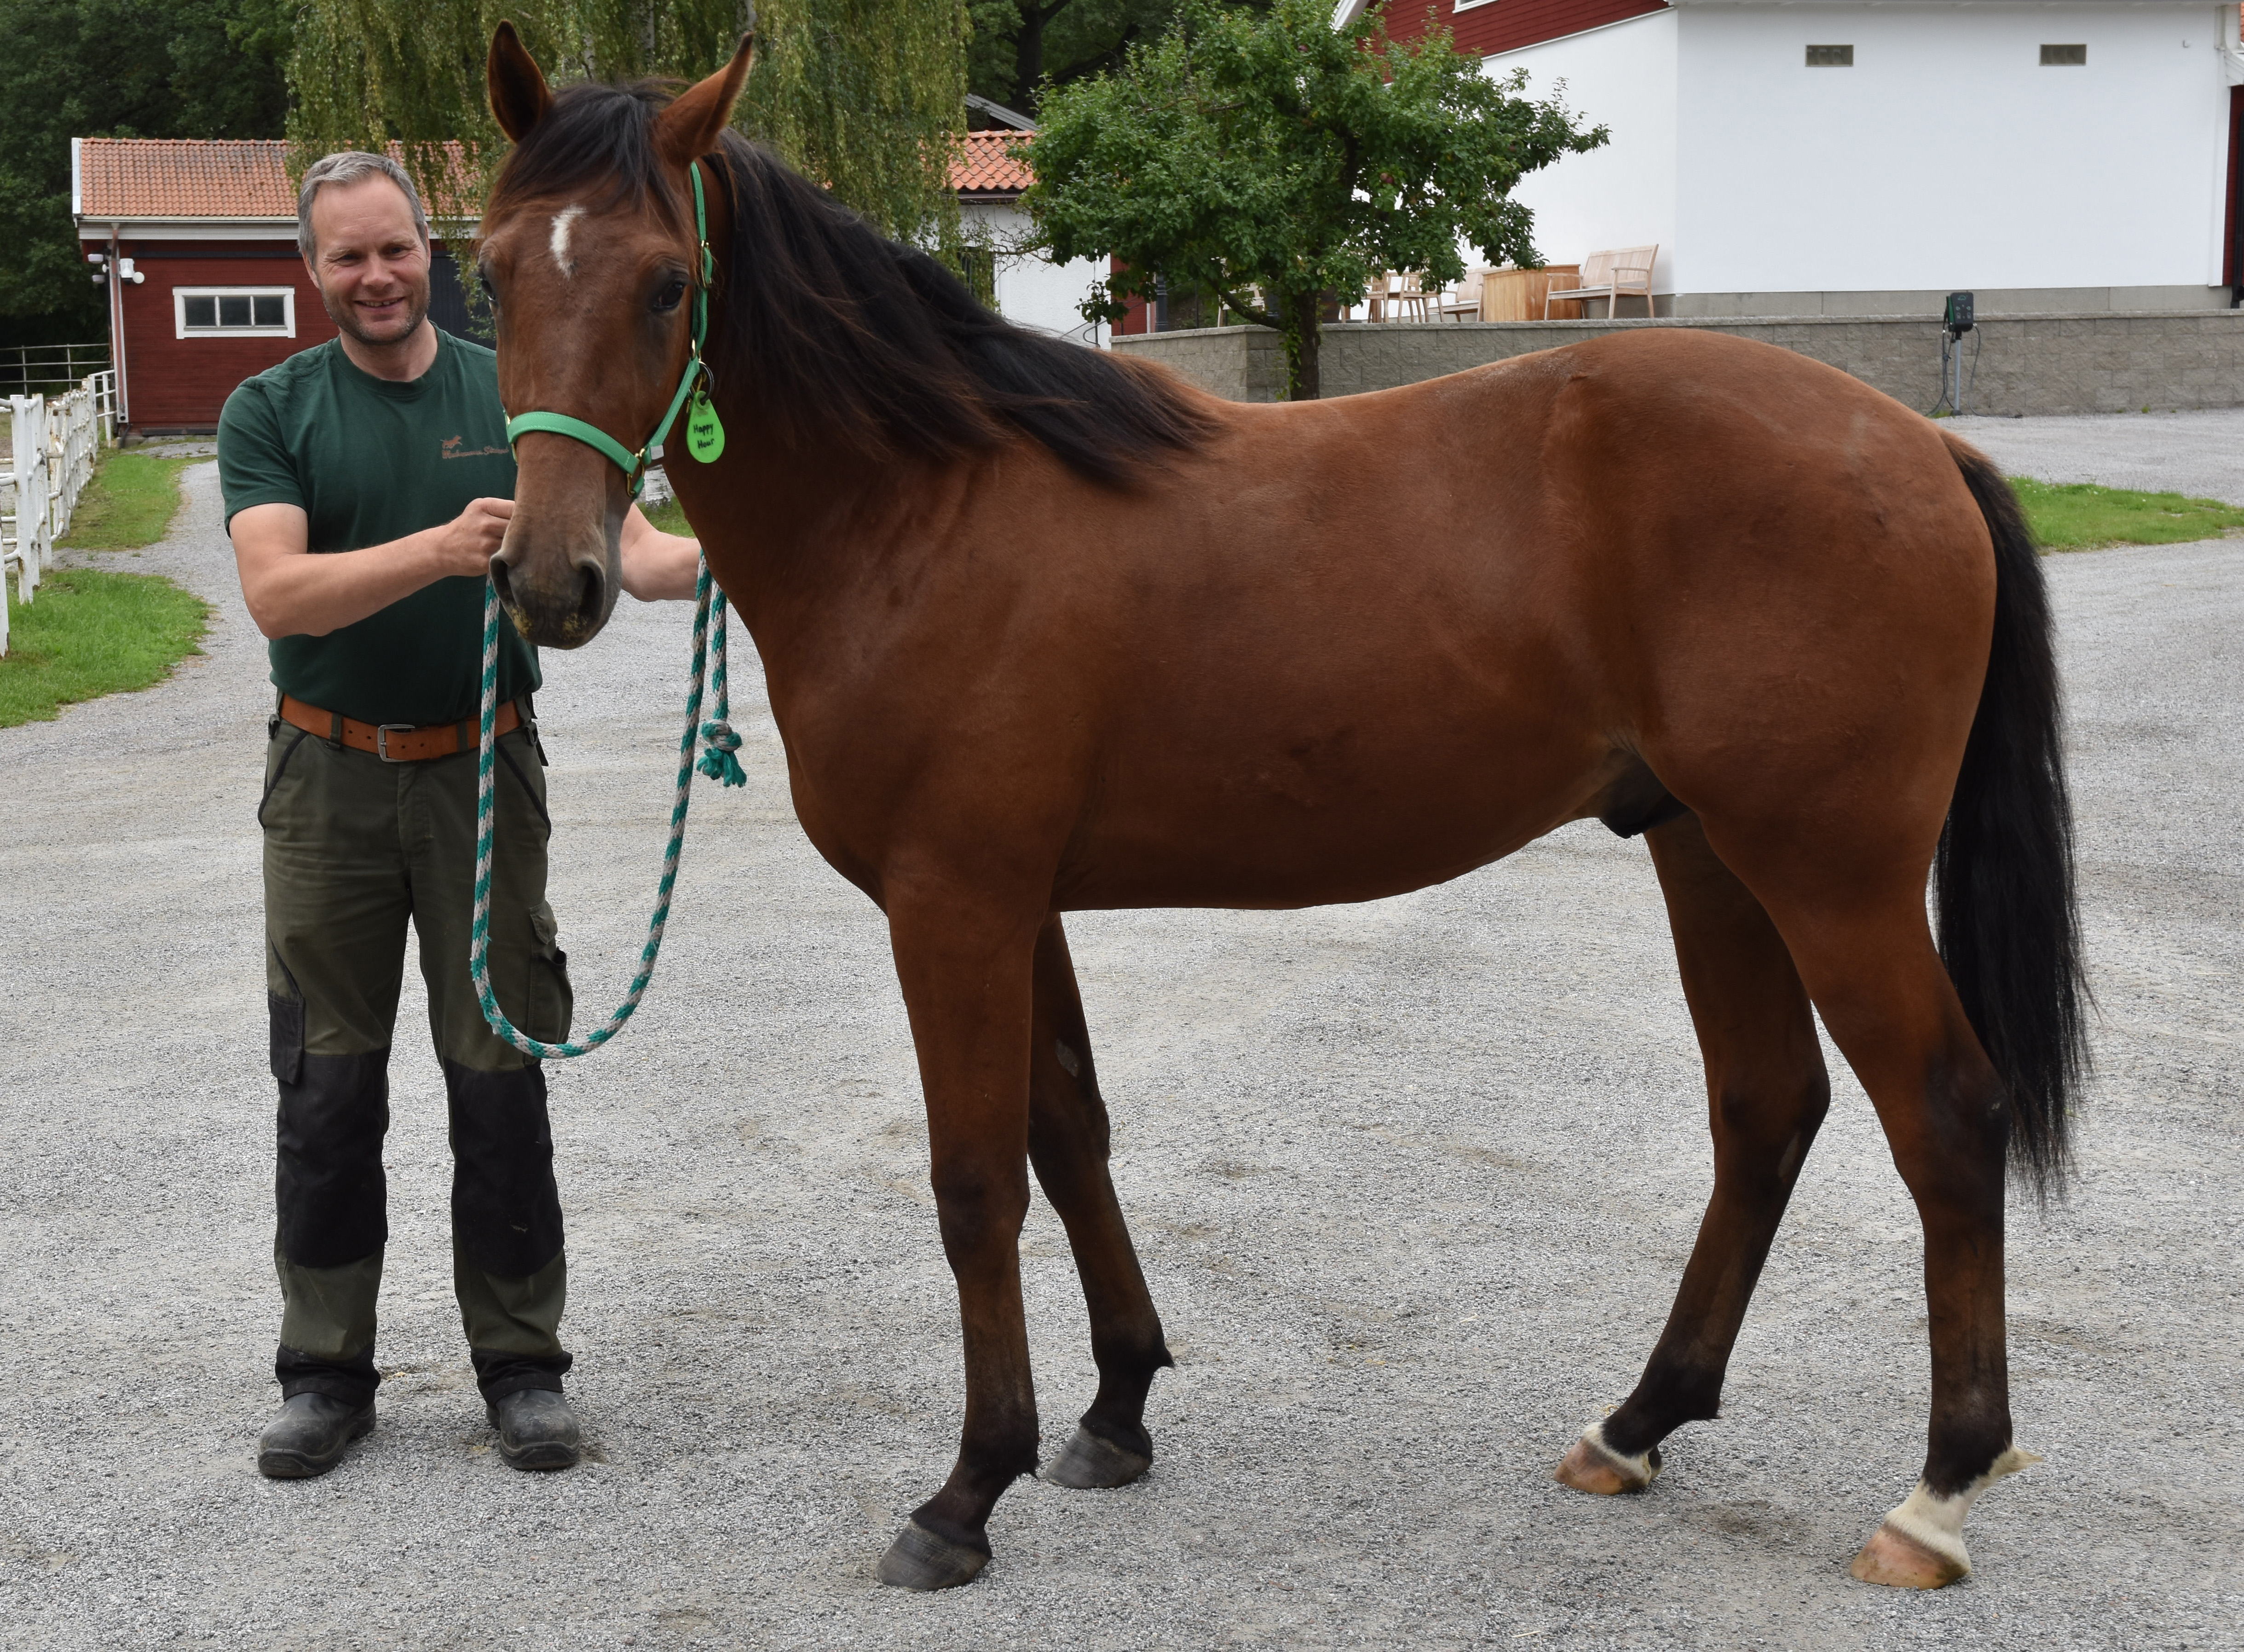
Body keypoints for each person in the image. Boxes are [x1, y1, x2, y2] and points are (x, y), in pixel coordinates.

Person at [219, 150, 701, 1479]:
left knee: (500, 1073)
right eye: (346, 257)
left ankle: (522, 1365)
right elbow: (279, 596)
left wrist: (745, 557)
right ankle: (325, 1371)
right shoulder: (272, 410)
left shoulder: (515, 383)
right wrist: (440, 549)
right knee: (327, 1083)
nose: (375, 277)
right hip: (325, 781)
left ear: (429, 250)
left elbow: (646, 550)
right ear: (311, 270)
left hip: (483, 768)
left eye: (394, 250)